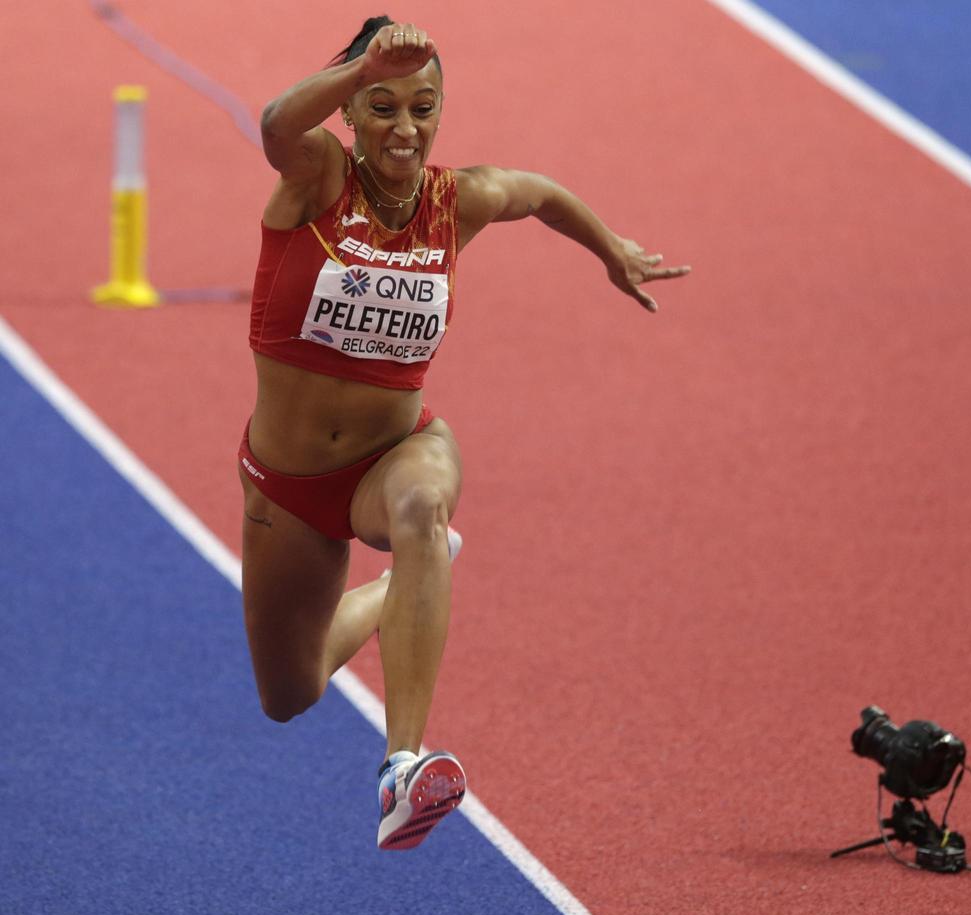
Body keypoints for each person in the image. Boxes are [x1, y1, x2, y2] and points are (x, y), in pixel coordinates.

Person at [239, 15, 690, 851]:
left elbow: (543, 194)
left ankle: (401, 766)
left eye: (423, 107)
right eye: (381, 106)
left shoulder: (460, 200)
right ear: (350, 112)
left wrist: (611, 251)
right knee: (289, 693)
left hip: (397, 453)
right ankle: (411, 583)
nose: (404, 129)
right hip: (289, 484)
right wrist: (359, 68)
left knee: (419, 509)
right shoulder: (318, 176)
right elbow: (276, 122)